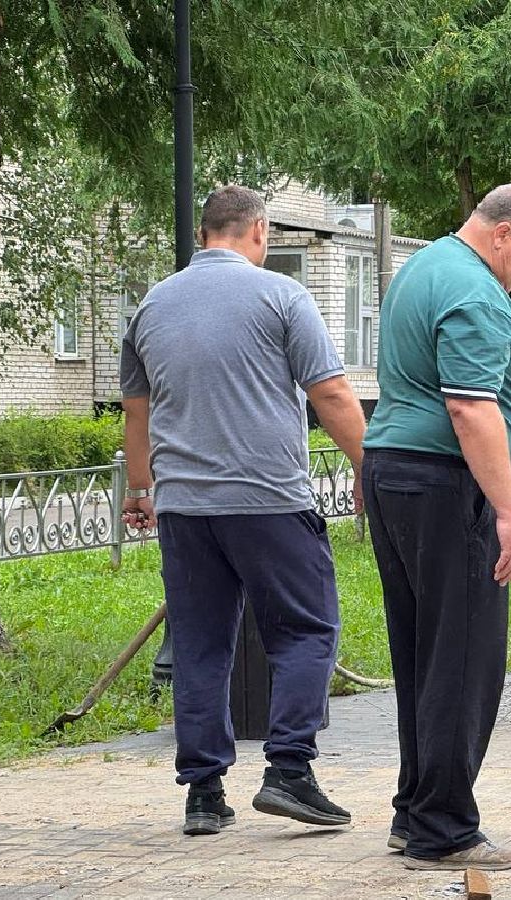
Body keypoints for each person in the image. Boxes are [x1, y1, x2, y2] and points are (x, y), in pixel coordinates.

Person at [120, 184, 368, 836]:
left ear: (205, 234)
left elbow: (138, 412)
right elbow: (334, 393)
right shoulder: (282, 295)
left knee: (200, 645)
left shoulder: (151, 306)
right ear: (257, 231)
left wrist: (140, 491)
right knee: (307, 631)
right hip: (268, 502)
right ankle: (288, 769)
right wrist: (374, 467)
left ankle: (203, 794)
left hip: (184, 510)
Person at [362, 183, 511, 871]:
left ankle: (415, 812)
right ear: (502, 232)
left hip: (397, 473)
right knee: (464, 658)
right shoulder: (473, 290)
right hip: (445, 486)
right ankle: (443, 829)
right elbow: (472, 409)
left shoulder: (424, 266)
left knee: (424, 655)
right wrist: (509, 513)